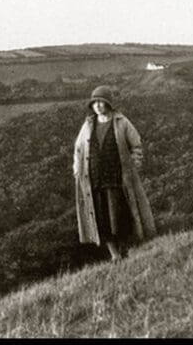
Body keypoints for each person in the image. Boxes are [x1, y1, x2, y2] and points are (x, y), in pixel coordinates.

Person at [72, 85, 156, 262]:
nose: (98, 106)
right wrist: (77, 169)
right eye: (95, 103)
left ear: (109, 104)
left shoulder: (121, 122)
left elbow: (136, 146)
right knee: (102, 220)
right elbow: (78, 149)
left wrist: (134, 165)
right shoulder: (88, 125)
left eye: (101, 102)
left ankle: (127, 250)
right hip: (95, 180)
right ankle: (115, 255)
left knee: (119, 216)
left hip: (118, 179)